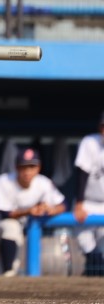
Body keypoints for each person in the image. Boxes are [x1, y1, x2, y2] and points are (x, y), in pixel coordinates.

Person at [0, 147, 66, 276]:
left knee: (1, 273)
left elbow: (63, 204)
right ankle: (8, 271)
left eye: (32, 167)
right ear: (16, 167)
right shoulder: (3, 181)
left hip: (14, 237)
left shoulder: (43, 183)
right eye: (23, 167)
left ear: (38, 167)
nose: (27, 171)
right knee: (12, 227)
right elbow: (5, 214)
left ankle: (1, 273)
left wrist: (52, 209)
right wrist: (29, 211)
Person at [72, 112, 104, 276]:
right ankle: (91, 273)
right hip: (88, 202)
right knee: (85, 242)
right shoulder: (90, 142)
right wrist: (79, 203)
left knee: (102, 248)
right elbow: (82, 174)